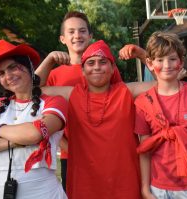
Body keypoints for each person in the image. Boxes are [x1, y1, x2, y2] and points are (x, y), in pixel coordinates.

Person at [38, 40, 157, 199]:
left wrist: (142, 55)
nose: (96, 67)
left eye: (103, 62)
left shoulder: (126, 91)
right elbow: (33, 90)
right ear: (82, 70)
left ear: (113, 68)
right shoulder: (72, 94)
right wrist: (49, 60)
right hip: (85, 180)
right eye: (91, 63)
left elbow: (164, 83)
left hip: (124, 179)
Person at [35, 11, 122, 191]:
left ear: (90, 36)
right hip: (72, 154)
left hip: (107, 151)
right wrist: (50, 59)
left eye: (82, 31)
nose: (77, 35)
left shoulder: (105, 69)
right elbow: (31, 93)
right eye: (71, 31)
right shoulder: (54, 75)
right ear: (62, 38)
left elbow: (120, 105)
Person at [133, 31, 187, 199]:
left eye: (172, 59)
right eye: (160, 60)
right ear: (150, 64)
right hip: (158, 187)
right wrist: (145, 189)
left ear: (181, 62)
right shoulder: (143, 102)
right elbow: (144, 150)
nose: (166, 65)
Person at [0, 40, 68, 198]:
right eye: (1, 73)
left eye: (13, 67)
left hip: (42, 193)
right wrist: (16, 142)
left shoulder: (54, 101)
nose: (8, 76)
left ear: (29, 67)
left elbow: (35, 134)